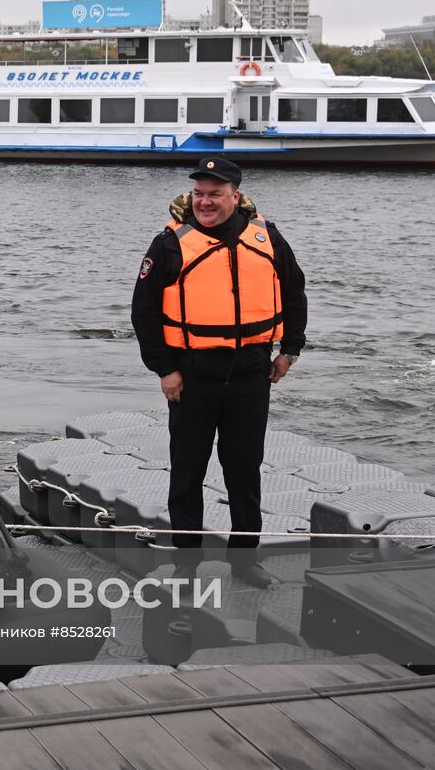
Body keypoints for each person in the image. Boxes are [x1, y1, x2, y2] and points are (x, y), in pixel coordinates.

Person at [130, 157, 307, 588]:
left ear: (235, 196)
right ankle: (186, 564)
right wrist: (165, 369)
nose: (205, 202)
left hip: (251, 375)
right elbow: (144, 311)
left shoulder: (267, 237)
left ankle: (245, 561)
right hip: (192, 378)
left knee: (244, 469)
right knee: (187, 470)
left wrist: (291, 351)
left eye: (215, 194)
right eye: (199, 194)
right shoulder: (169, 243)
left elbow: (294, 291)